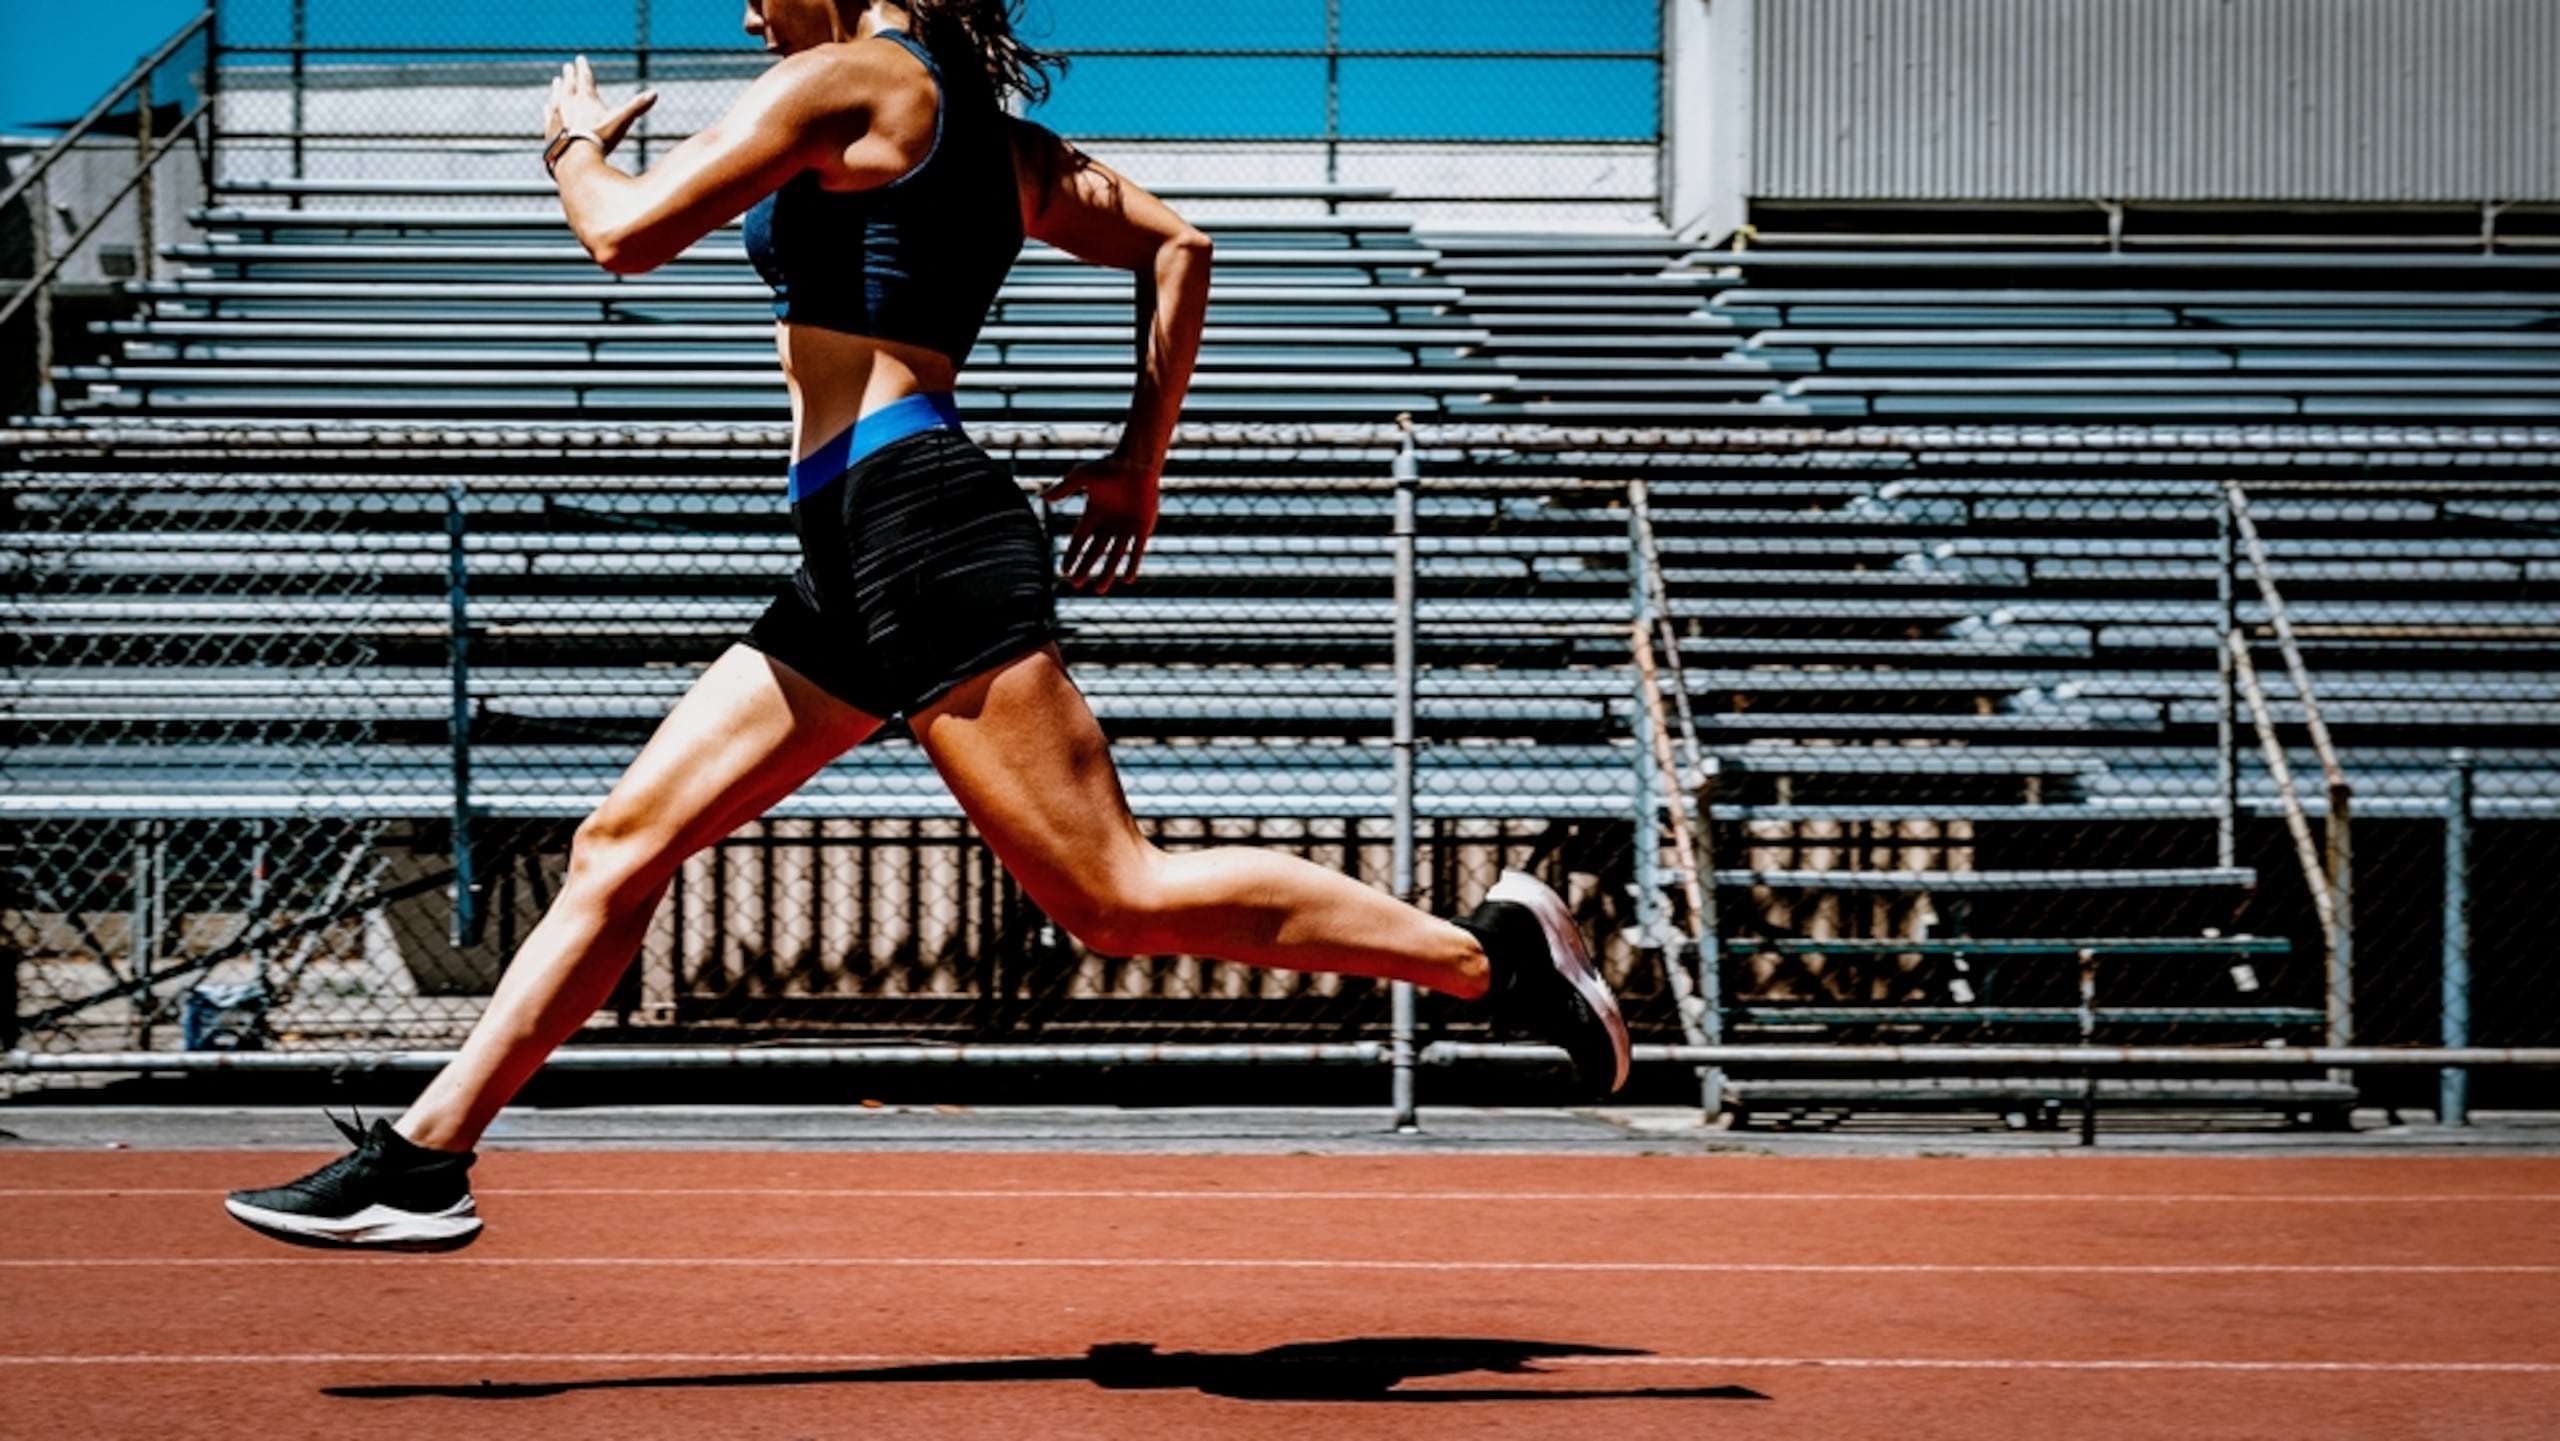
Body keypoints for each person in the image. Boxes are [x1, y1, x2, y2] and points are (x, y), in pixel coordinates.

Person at [223, 0, 1627, 1253]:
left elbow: (621, 234)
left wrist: (572, 143)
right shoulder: (1001, 145)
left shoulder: (850, 78)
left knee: (1111, 895)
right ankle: (424, 1158)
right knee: (624, 840)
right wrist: (1139, 452)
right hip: (855, 549)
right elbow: (1178, 244)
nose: (743, 7)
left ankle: (1494, 954)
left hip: (917, 529)